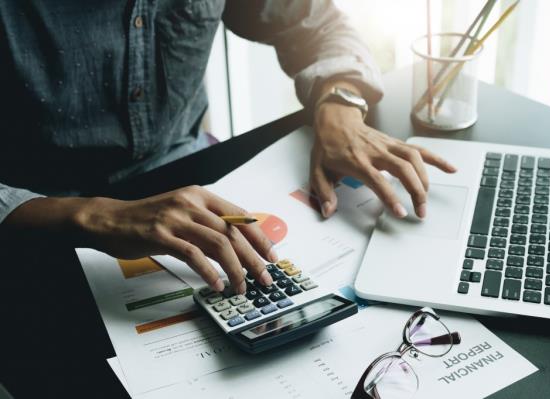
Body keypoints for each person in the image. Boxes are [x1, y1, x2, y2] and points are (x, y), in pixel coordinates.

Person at [0, 0, 455, 295]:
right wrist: (92, 215)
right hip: (35, 223)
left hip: (193, 169)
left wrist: (340, 104)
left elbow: (316, 23)